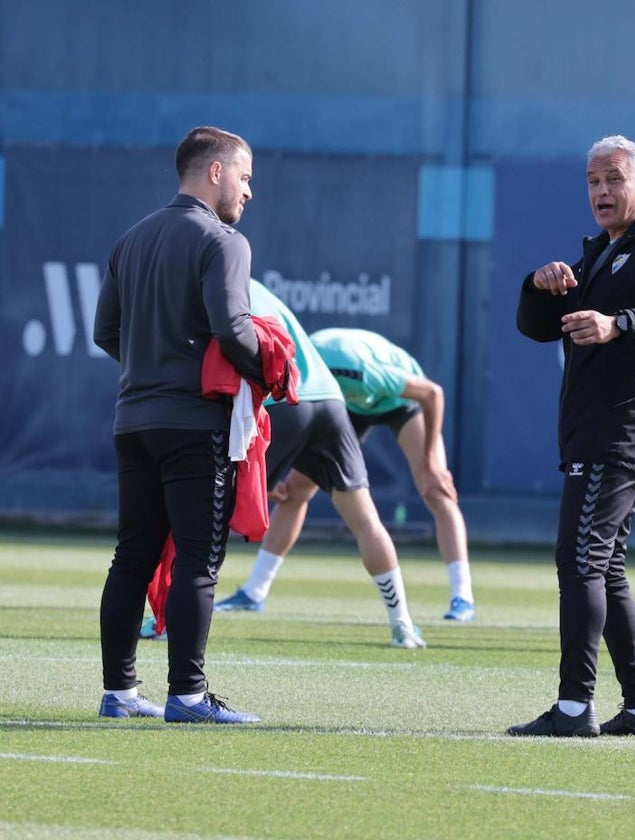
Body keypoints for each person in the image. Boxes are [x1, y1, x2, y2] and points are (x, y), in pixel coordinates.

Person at [507, 135, 635, 738]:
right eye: (592, 181)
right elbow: (539, 330)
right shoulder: (603, 251)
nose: (600, 192)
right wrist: (537, 288)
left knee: (580, 561)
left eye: (613, 179)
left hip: (623, 427)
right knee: (605, 566)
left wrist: (619, 324)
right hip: (595, 426)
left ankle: (573, 707)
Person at [93, 126, 262, 723]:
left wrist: (153, 369)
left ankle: (119, 692)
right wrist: (273, 367)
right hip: (192, 425)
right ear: (214, 171)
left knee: (132, 556)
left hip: (133, 419)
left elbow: (103, 333)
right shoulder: (223, 241)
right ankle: (188, 695)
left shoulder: (131, 238)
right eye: (243, 177)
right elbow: (233, 330)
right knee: (198, 559)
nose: (248, 192)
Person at [214, 281, 426, 649]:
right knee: (364, 521)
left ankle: (170, 616)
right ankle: (402, 624)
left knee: (207, 512)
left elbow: (241, 359)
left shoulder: (216, 287)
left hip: (286, 402)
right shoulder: (252, 284)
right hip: (329, 402)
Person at [215, 327, 475, 621]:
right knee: (296, 491)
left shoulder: (359, 372)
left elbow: (432, 394)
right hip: (343, 404)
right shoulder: (296, 373)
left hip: (401, 401)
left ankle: (463, 597)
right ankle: (254, 592)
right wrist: (269, 478)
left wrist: (430, 461)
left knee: (435, 489)